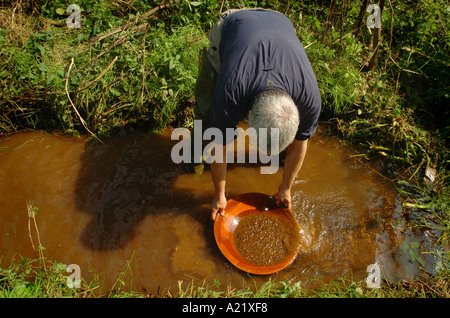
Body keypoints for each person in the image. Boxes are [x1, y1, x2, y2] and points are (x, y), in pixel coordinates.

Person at [194, 9, 322, 221]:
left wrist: (286, 188)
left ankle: (282, 162)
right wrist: (219, 195)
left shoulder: (309, 99)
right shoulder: (230, 91)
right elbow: (219, 147)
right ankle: (194, 160)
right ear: (249, 112)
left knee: (283, 148)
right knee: (207, 111)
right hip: (234, 24)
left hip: (280, 20)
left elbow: (300, 143)